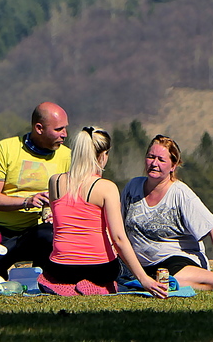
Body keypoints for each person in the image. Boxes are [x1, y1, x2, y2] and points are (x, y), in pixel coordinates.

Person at [41, 126, 167, 297]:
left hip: (59, 270)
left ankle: (67, 286)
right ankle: (94, 286)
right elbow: (118, 238)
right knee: (118, 270)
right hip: (99, 270)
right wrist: (144, 279)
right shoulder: (106, 188)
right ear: (102, 155)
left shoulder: (55, 181)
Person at [121, 135, 213, 291]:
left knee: (179, 279)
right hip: (139, 265)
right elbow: (117, 229)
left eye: (161, 160)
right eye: (151, 157)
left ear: (173, 166)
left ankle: (209, 281)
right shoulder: (132, 187)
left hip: (176, 262)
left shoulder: (181, 193)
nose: (154, 163)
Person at [0, 102, 71, 277]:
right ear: (39, 128)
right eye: (59, 129)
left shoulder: (67, 156)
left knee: (51, 236)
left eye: (65, 128)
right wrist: (26, 202)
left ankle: (44, 281)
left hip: (41, 232)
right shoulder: (6, 149)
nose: (65, 135)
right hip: (3, 230)